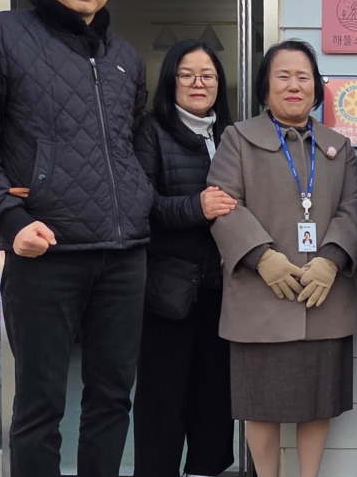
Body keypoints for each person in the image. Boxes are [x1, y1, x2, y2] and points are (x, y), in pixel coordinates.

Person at [0, 0, 150, 477]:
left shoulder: (125, 59)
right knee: (39, 407)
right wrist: (10, 220)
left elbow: (129, 146)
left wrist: (138, 203)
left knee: (112, 400)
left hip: (124, 254)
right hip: (44, 250)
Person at [207, 39, 357, 477]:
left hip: (323, 298)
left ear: (316, 87)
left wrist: (331, 260)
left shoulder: (338, 147)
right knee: (260, 404)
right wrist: (261, 257)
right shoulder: (237, 139)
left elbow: (353, 208)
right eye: (283, 76)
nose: (294, 85)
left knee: (317, 403)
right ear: (265, 86)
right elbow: (223, 204)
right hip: (259, 300)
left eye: (303, 77)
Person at [131, 40, 236, 477]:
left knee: (215, 396)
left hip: (223, 288)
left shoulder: (230, 134)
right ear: (171, 80)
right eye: (187, 74)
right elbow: (142, 206)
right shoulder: (151, 131)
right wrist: (198, 207)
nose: (198, 83)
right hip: (168, 289)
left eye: (208, 75)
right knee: (162, 398)